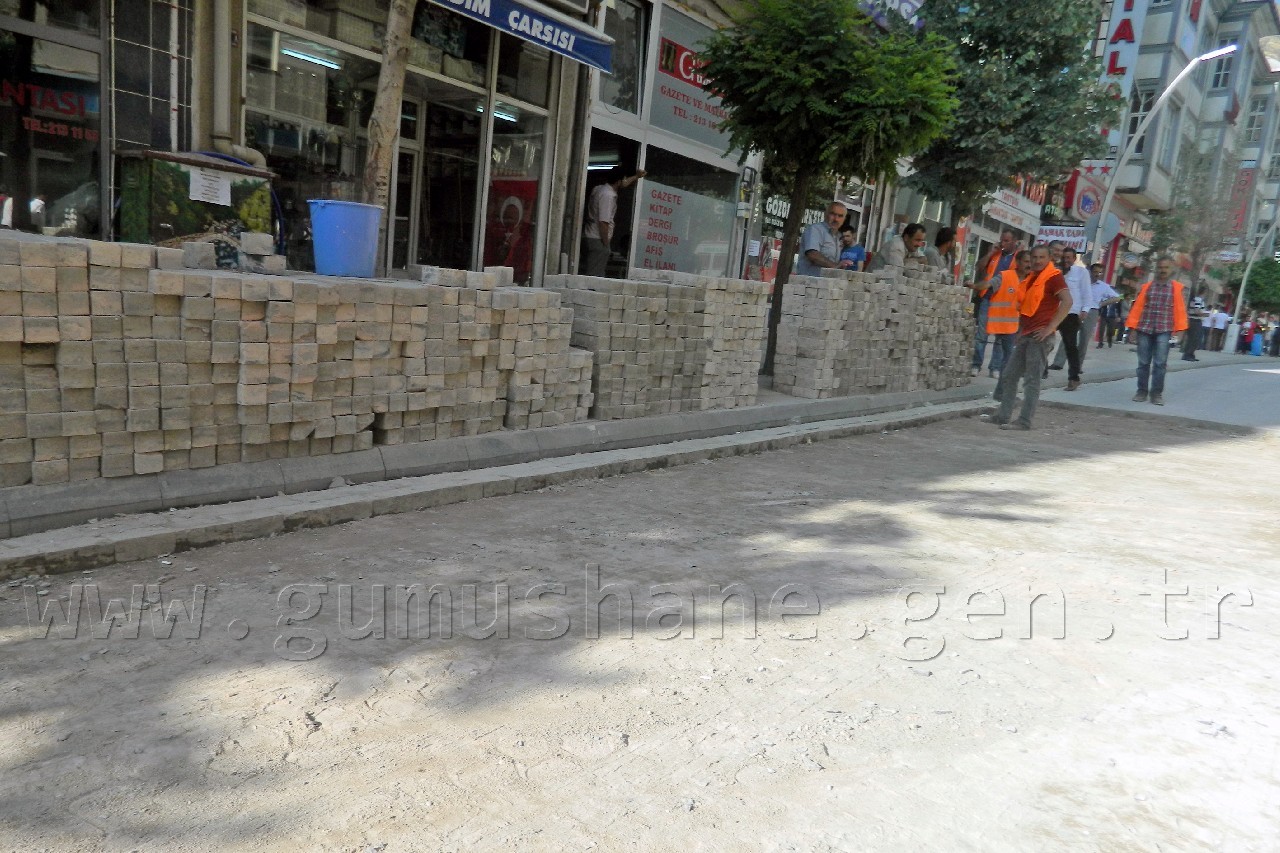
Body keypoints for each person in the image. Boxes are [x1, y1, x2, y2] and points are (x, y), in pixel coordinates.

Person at [990, 245, 1072, 430]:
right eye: (1034, 257)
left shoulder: (1053, 277)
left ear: (1049, 258)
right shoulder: (1033, 278)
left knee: (1031, 380)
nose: (1037, 261)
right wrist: (1021, 331)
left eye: (1041, 257)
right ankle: (1003, 415)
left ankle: (1024, 421)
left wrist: (1050, 327)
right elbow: (1028, 308)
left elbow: (1068, 301)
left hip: (1040, 337)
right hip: (1028, 334)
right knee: (1010, 375)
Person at [1126, 255, 1187, 406]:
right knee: (1143, 363)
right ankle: (1141, 391)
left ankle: (1156, 393)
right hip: (1144, 328)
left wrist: (1181, 330)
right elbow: (1138, 308)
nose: (1162, 270)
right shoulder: (1147, 287)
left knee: (1160, 363)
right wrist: (1132, 328)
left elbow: (1180, 310)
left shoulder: (1176, 288)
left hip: (1164, 330)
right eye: (1160, 268)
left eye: (1166, 268)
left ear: (1171, 269)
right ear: (1156, 269)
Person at [968, 230, 1020, 377]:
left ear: (1014, 241)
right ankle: (976, 364)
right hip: (987, 298)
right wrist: (990, 253)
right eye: (1002, 240)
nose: (1003, 244)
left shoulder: (1018, 258)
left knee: (1000, 337)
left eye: (1006, 241)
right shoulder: (995, 255)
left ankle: (995, 367)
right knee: (981, 334)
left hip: (1005, 302)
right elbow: (979, 266)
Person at [581, 166, 646, 276]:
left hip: (590, 236)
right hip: (598, 239)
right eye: (623, 179)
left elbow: (623, 183)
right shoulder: (608, 196)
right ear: (618, 181)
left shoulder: (599, 189)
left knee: (593, 271)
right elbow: (603, 223)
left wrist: (636, 176)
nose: (625, 181)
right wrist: (606, 244)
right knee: (595, 276)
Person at [988, 249, 1032, 402]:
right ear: (1018, 262)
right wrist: (976, 286)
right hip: (1006, 326)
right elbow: (989, 284)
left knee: (1011, 360)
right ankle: (1002, 393)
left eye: (1030, 262)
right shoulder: (1006, 276)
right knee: (1010, 360)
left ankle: (1003, 392)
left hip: (1019, 327)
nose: (1029, 264)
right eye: (1026, 261)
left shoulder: (1030, 281)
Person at [1047, 246, 1091, 390]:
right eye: (1064, 257)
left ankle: (1074, 378)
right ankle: (1041, 370)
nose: (1066, 261)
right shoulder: (1055, 271)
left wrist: (1085, 309)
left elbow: (1086, 292)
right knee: (1045, 341)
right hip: (1053, 312)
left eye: (1069, 258)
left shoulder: (1081, 272)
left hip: (1071, 313)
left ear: (1074, 259)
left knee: (1070, 345)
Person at [484, 195, 534, 284]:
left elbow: (525, 264)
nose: (509, 222)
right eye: (507, 217)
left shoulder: (525, 239)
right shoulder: (493, 234)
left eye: (513, 217)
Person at [796, 202, 846, 276]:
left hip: (824, 283)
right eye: (833, 214)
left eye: (840, 216)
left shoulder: (839, 236)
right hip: (808, 282)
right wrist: (835, 266)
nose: (836, 219)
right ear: (826, 214)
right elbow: (812, 254)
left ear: (844, 219)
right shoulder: (815, 230)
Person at [1086, 262, 1120, 352]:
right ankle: (1058, 363)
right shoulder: (1083, 282)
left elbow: (1117, 298)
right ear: (1090, 272)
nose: (1097, 274)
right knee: (1068, 336)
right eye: (1095, 272)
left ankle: (1077, 363)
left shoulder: (1103, 286)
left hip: (1092, 311)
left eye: (1100, 272)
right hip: (1077, 310)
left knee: (1084, 339)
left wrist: (1101, 304)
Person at [1181, 296, 1209, 362]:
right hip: (1195, 321)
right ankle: (1188, 354)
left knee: (1192, 339)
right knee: (1194, 339)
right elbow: (1197, 311)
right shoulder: (1198, 300)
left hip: (1193, 320)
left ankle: (1189, 354)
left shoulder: (1194, 299)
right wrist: (1205, 314)